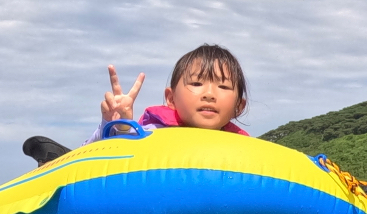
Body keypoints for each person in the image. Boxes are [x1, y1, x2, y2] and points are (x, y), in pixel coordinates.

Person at [89, 43, 251, 143]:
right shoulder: (150, 134)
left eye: (223, 87)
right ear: (171, 99)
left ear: (238, 107)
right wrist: (119, 126)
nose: (209, 94)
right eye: (196, 83)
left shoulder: (244, 147)